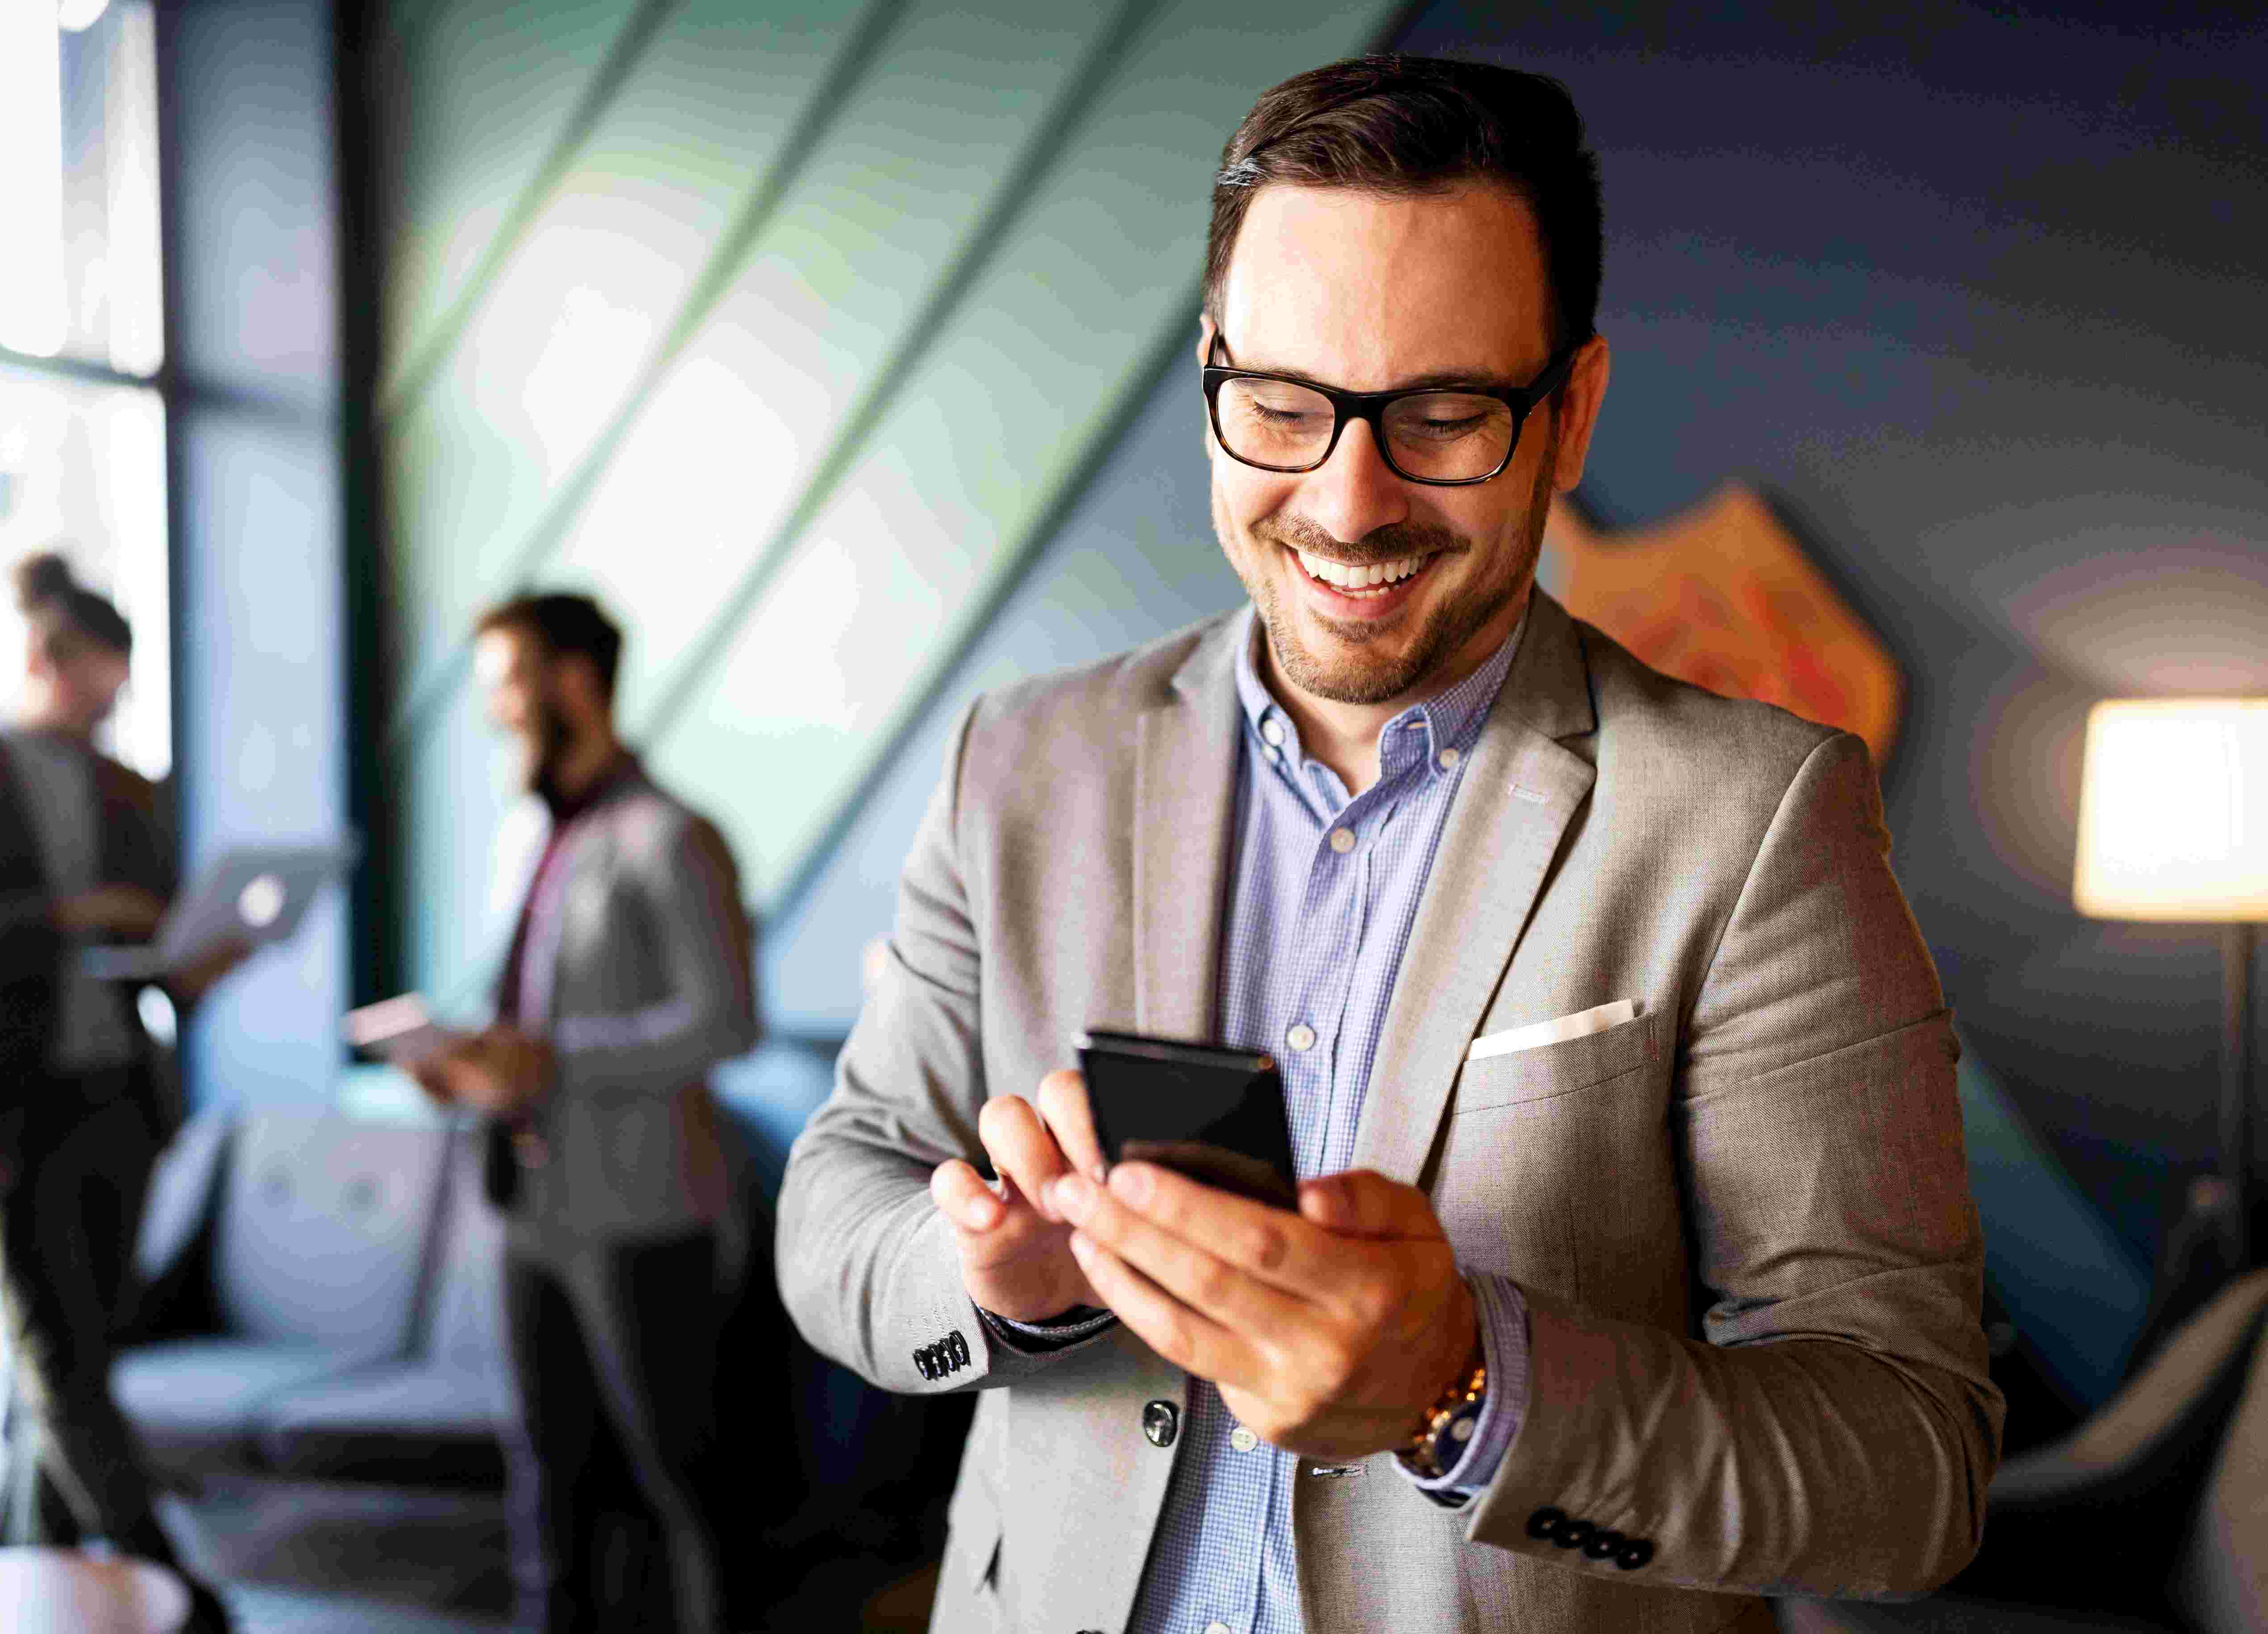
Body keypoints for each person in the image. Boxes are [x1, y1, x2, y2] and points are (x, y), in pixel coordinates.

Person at [776, 54, 2002, 1634]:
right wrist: (992, 1278)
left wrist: (1461, 1381)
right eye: (1281, 407)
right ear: (1209, 376)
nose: (1348, 502)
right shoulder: (1019, 757)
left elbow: (1908, 1461)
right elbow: (839, 1194)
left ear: (1571, 415)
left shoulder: (1753, 817)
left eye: (1442, 415)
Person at [0, 553, 242, 1633]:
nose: (110, 710)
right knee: (61, 1369)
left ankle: (38, 1590)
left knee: (65, 1371)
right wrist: (59, 918)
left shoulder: (130, 790)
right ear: (46, 660)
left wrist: (199, 964)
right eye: (97, 685)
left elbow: (155, 954)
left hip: (116, 1102)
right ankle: (190, 1598)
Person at [406, 593, 758, 1634]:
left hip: (645, 1212)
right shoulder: (529, 835)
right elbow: (535, 1007)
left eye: (508, 682)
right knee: (547, 1487)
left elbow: (726, 1024)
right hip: (530, 1206)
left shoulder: (673, 836)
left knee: (683, 1487)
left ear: (575, 681)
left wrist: (549, 1063)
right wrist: (465, 1058)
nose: (495, 711)